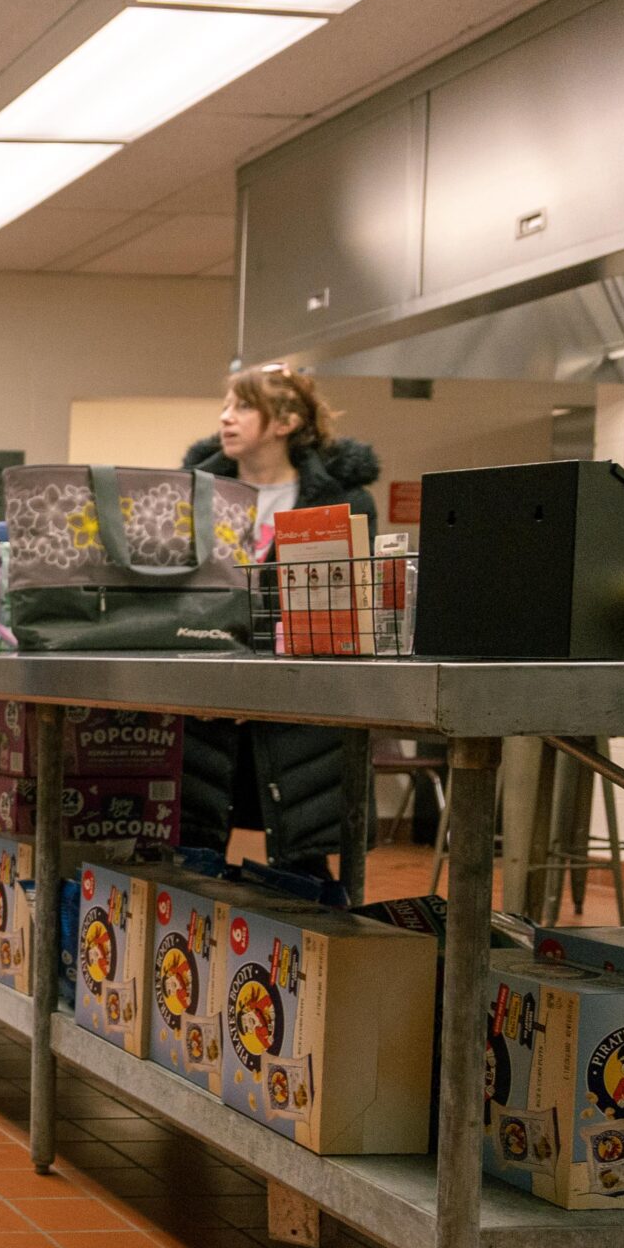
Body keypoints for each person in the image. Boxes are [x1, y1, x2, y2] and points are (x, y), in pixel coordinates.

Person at [180, 365, 381, 876]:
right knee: (192, 858)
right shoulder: (192, 495)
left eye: (243, 406)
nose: (225, 417)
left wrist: (266, 678)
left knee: (303, 866)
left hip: (300, 704)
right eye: (225, 405)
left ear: (286, 420)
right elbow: (178, 598)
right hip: (206, 702)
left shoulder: (344, 500)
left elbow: (345, 607)